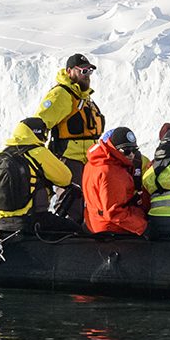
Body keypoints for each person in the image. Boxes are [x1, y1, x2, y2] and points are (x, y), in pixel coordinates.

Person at [36, 53, 105, 224]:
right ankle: (65, 239)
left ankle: (83, 237)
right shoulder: (61, 95)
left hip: (88, 161)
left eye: (89, 71)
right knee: (71, 203)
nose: (87, 75)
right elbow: (40, 123)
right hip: (69, 160)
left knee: (88, 203)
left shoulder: (84, 97)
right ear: (69, 71)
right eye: (83, 71)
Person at [0, 115, 77, 236]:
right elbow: (65, 178)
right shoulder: (37, 152)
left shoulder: (2, 154)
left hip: (0, 221)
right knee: (75, 230)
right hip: (30, 220)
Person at [81, 128, 148, 238]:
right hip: (111, 227)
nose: (132, 155)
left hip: (94, 222)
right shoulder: (111, 172)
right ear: (115, 149)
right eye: (126, 151)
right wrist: (143, 227)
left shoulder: (95, 162)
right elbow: (114, 213)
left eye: (134, 150)